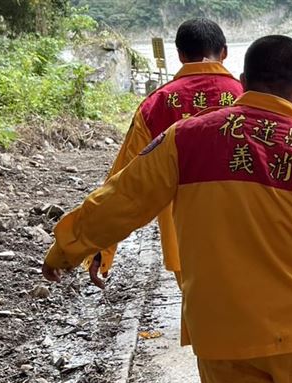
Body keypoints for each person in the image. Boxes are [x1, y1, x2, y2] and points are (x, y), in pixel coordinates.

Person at [42, 35, 292, 383]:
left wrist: (66, 249)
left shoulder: (183, 139)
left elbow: (119, 201)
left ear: (245, 79)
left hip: (220, 330)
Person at [88, 19, 243, 300]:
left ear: (181, 55)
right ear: (225, 52)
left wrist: (102, 246)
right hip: (249, 237)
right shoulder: (249, 98)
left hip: (184, 244)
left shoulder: (156, 105)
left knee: (204, 323)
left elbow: (123, 183)